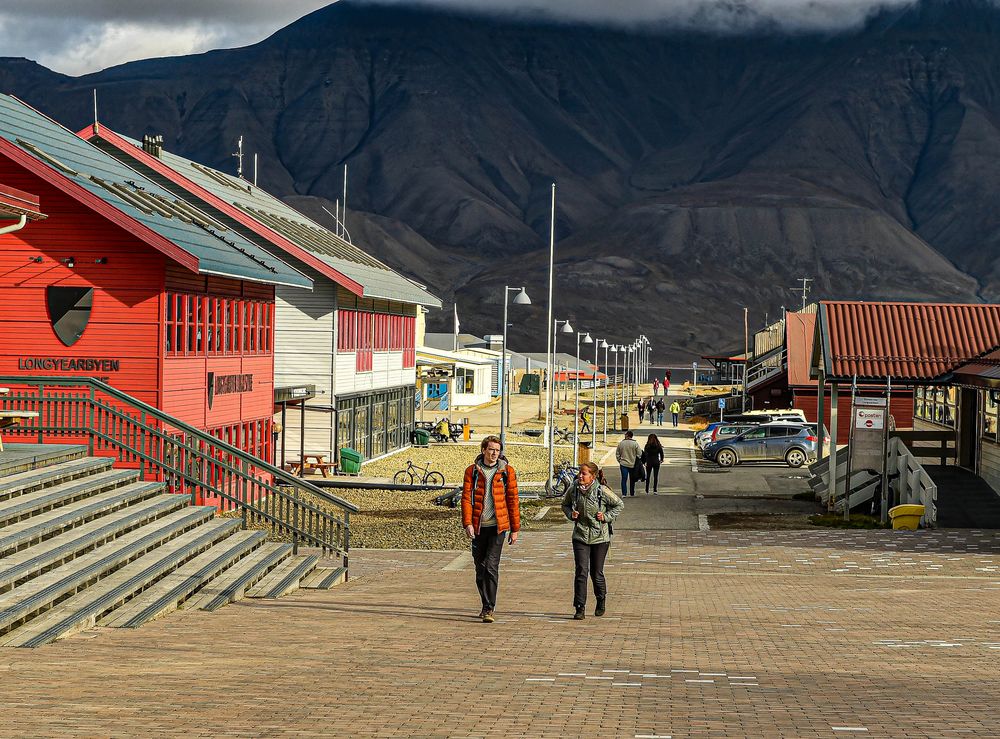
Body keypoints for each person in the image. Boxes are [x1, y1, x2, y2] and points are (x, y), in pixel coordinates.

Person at [461, 435, 520, 623]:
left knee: (491, 565)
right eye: (491, 449)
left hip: (498, 527)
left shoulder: (506, 472)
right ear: (483, 450)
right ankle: (485, 602)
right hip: (479, 526)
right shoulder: (472, 471)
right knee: (480, 567)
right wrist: (468, 523)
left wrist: (515, 528)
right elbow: (466, 499)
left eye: (497, 450)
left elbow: (513, 499)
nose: (494, 453)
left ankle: (489, 608)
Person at [562, 462, 624, 619]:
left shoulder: (601, 491)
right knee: (581, 572)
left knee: (596, 573)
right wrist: (571, 514)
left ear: (593, 476)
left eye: (584, 474)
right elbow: (565, 505)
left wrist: (606, 516)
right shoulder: (574, 488)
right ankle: (579, 607)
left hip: (600, 537)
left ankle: (601, 599)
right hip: (580, 535)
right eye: (580, 473)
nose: (580, 476)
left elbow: (619, 504)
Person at [615, 430, 641, 496]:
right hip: (632, 464)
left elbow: (617, 453)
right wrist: (636, 460)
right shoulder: (635, 444)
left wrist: (619, 460)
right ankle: (632, 492)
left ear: (627, 435)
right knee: (632, 479)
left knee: (624, 479)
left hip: (623, 464)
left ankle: (624, 493)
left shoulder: (621, 443)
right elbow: (639, 453)